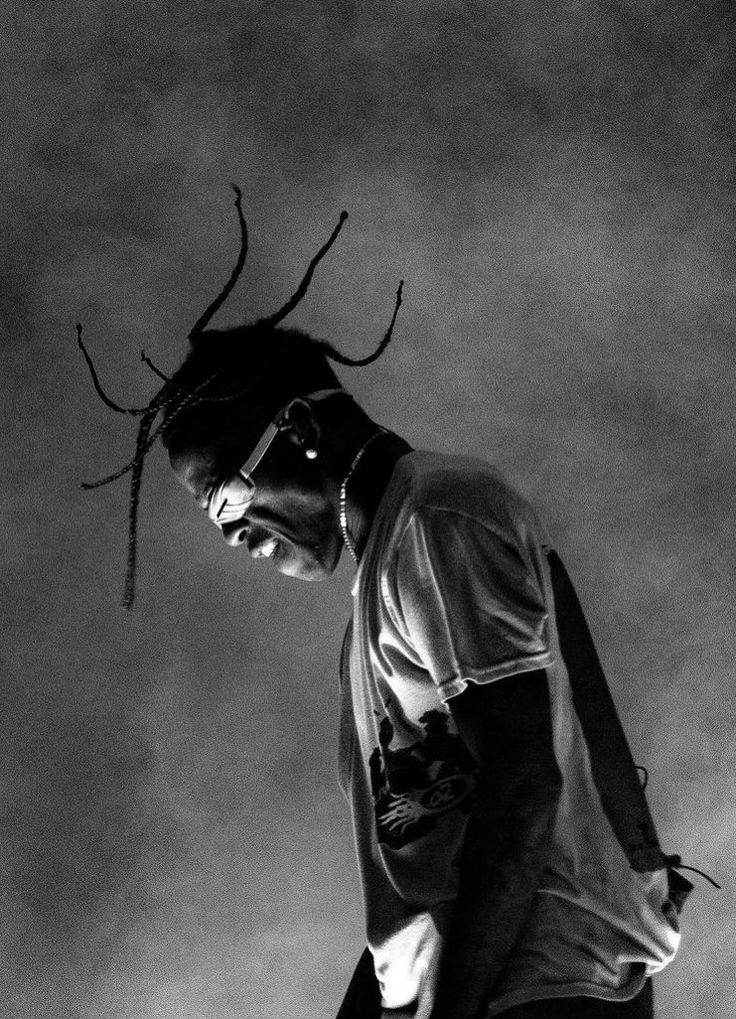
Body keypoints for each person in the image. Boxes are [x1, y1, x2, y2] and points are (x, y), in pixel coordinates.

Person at [79, 194, 691, 1018]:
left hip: (542, 989)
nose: (229, 532)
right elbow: (419, 873)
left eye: (223, 495)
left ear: (297, 428)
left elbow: (520, 786)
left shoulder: (441, 518)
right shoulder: (391, 579)